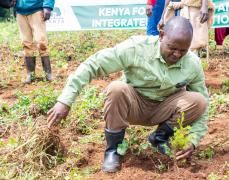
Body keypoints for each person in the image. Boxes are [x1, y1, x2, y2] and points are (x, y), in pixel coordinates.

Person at [47, 16, 209, 173]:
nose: (177, 55)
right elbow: (93, 65)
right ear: (161, 36)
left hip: (164, 109)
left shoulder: (192, 63)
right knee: (117, 88)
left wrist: (193, 140)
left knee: (199, 101)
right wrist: (65, 100)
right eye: (172, 48)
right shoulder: (136, 48)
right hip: (133, 105)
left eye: (183, 50)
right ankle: (113, 150)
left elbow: (204, 106)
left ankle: (160, 138)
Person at [15, 0, 55, 83]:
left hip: (36, 9)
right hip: (20, 11)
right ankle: (30, 74)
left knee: (41, 42)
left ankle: (48, 74)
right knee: (26, 43)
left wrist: (47, 6)